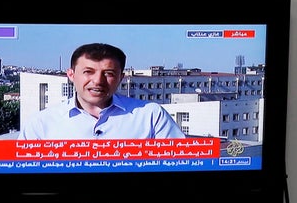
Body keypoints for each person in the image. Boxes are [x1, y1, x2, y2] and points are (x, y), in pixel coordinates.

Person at [19, 42, 186, 139]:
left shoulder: (151, 116)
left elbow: (181, 165)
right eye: (88, 72)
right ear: (71, 75)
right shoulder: (40, 124)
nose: (98, 81)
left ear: (121, 77)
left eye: (108, 73)